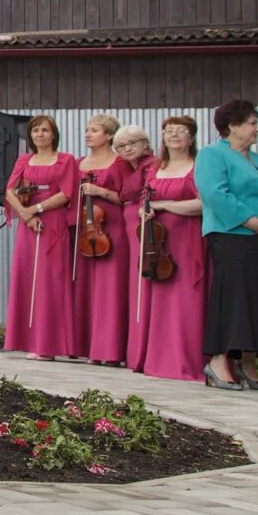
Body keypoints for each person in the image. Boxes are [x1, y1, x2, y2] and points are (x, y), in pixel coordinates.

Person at [195, 99, 258, 391]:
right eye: (252, 123)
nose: (257, 129)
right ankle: (217, 361)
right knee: (235, 298)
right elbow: (216, 194)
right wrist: (253, 222)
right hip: (231, 236)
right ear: (233, 126)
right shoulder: (212, 155)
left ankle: (248, 362)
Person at [135, 116, 207, 382]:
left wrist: (164, 206)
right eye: (168, 131)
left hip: (188, 240)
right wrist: (146, 211)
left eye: (181, 131)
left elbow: (203, 204)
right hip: (159, 244)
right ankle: (159, 360)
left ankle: (187, 362)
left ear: (191, 138)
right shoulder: (155, 168)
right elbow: (146, 199)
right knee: (162, 299)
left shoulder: (198, 167)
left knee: (187, 300)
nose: (174, 135)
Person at [2, 116, 78, 360]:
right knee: (27, 279)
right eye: (35, 130)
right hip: (28, 224)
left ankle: (49, 345)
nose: (40, 134)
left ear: (53, 134)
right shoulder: (24, 160)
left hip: (53, 223)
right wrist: (26, 214)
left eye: (45, 130)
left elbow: (66, 193)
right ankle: (28, 341)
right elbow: (10, 191)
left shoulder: (66, 160)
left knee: (50, 282)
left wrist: (36, 210)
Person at [71, 114, 130, 365]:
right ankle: (87, 348)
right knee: (86, 288)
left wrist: (101, 192)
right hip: (85, 231)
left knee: (111, 289)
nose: (87, 134)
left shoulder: (120, 163)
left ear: (108, 135)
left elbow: (127, 197)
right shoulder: (78, 163)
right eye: (86, 130)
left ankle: (111, 351)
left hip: (112, 228)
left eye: (94, 130)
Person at [114, 125, 155, 370]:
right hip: (129, 227)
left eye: (133, 143)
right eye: (121, 146)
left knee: (142, 286)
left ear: (145, 143)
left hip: (143, 224)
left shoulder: (151, 165)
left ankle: (141, 353)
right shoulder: (126, 166)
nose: (127, 149)